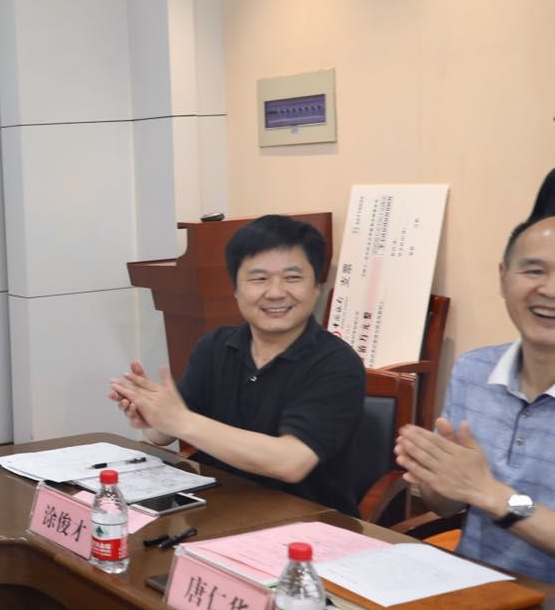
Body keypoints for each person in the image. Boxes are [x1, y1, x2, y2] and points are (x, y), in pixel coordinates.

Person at [107, 214, 367, 514]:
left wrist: (181, 420)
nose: (275, 292)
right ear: (235, 289)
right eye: (259, 279)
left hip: (311, 526)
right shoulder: (216, 346)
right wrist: (151, 414)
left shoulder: (337, 364)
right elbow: (165, 434)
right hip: (219, 515)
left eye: (292, 278)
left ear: (316, 287)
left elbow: (291, 462)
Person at [396, 178, 555, 581]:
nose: (550, 290)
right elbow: (448, 506)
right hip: (472, 592)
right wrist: (436, 478)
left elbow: (482, 492)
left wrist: (490, 492)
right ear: (503, 277)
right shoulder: (474, 370)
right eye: (534, 270)